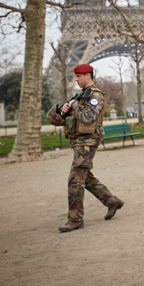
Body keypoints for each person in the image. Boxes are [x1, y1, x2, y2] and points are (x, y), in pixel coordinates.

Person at [47, 64, 124, 233]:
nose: (76, 79)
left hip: (87, 142)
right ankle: (112, 202)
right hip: (78, 142)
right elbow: (57, 120)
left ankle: (75, 220)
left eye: (78, 76)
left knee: (75, 180)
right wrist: (62, 110)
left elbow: (88, 117)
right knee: (85, 177)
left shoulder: (95, 96)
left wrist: (74, 105)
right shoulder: (81, 96)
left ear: (88, 76)